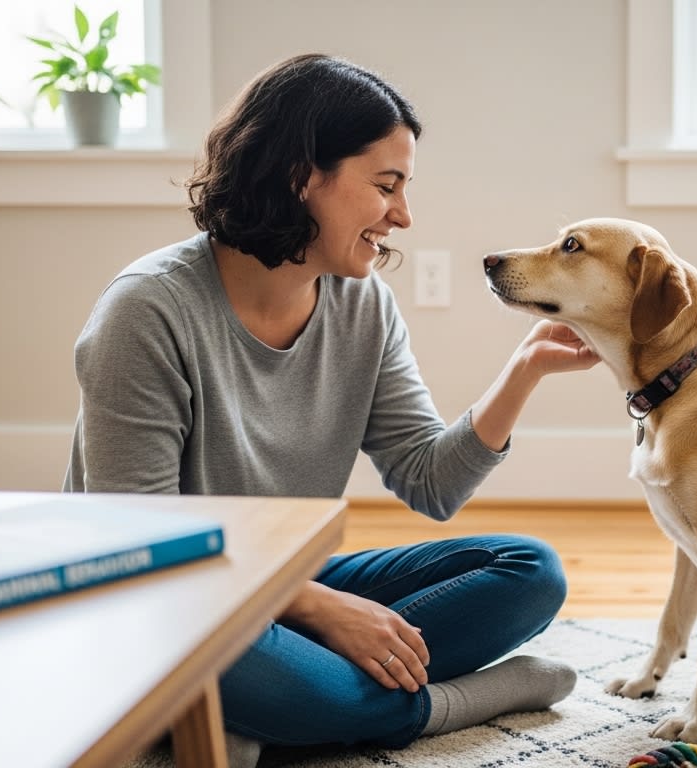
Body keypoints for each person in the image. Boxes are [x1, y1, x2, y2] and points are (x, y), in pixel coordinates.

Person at [62, 53, 600, 760]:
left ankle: (266, 708)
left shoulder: (362, 304)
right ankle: (431, 704)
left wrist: (526, 367)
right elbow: (143, 541)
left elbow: (429, 483)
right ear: (301, 175)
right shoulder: (149, 309)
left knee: (529, 572)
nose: (403, 216)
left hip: (278, 588)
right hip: (160, 600)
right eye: (386, 186)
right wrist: (318, 609)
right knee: (312, 685)